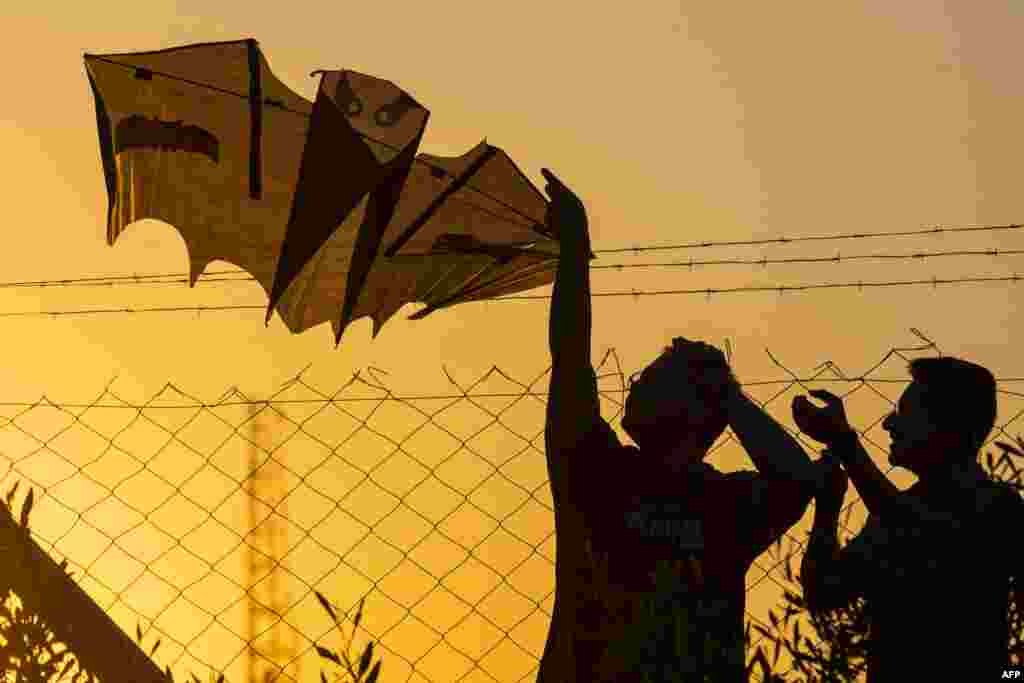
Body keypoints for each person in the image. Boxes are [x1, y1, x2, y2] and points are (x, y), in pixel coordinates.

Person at [535, 168, 829, 683]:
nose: (635, 384)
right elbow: (570, 358)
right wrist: (574, 254)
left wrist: (729, 396)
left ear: (699, 410)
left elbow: (797, 480)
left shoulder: (725, 504)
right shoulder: (595, 466)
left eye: (654, 379)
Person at [796, 357, 1024, 681]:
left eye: (905, 413)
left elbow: (921, 530)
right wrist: (827, 508)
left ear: (945, 424)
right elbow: (825, 591)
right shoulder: (895, 513)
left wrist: (847, 446)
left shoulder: (997, 507)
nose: (888, 424)